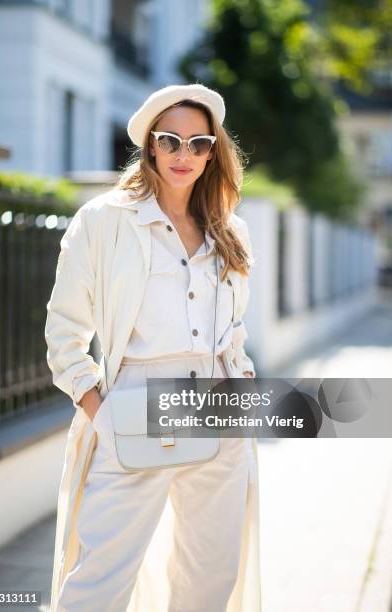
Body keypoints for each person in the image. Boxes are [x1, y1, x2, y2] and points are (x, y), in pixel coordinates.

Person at [45, 83, 261, 612]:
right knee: (98, 580)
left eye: (199, 143)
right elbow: (63, 333)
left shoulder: (231, 231)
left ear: (214, 151)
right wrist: (103, 415)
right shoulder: (103, 221)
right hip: (135, 411)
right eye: (171, 141)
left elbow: (233, 334)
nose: (185, 155)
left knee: (210, 579)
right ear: (151, 146)